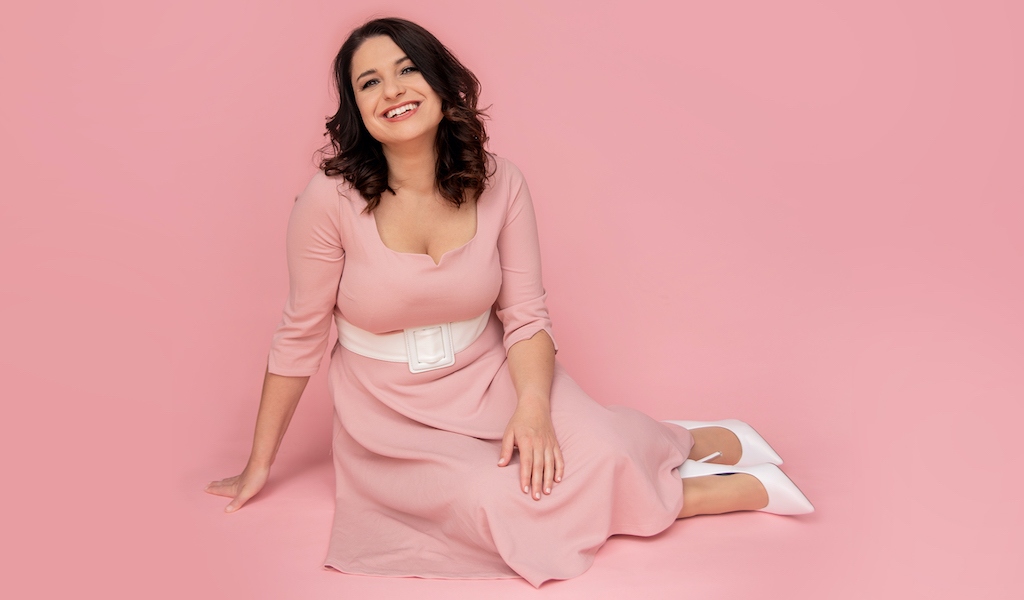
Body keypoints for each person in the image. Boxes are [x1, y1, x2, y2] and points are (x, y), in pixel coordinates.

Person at [204, 17, 813, 587]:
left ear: (439, 83)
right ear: (357, 110)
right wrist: (259, 463)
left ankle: (684, 442)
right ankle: (702, 494)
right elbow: (300, 335)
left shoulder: (500, 181)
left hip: (492, 373)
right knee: (495, 502)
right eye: (369, 82)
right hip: (389, 411)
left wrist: (533, 408)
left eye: (407, 69)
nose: (392, 90)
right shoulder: (328, 200)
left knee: (601, 450)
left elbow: (525, 316)